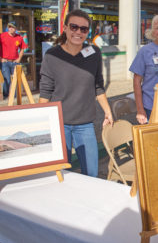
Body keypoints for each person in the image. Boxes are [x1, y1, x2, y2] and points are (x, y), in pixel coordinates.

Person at [39, 9, 113, 177]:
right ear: (65, 28)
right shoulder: (52, 56)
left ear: (88, 32)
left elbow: (98, 86)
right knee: (60, 174)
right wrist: (43, 124)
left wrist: (108, 112)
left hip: (85, 124)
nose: (78, 32)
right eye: (74, 27)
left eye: (83, 29)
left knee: (91, 174)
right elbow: (45, 91)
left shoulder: (94, 53)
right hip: (59, 124)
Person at [0, 21, 28, 99]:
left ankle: (15, 97)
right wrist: (1, 58)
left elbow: (22, 49)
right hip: (5, 62)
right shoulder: (2, 36)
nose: (11, 29)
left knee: (15, 81)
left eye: (12, 27)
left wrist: (19, 59)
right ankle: (6, 95)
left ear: (15, 28)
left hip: (15, 62)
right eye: (9, 27)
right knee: (7, 80)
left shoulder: (19, 37)